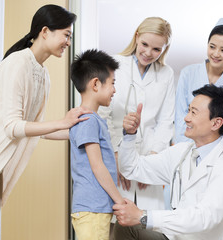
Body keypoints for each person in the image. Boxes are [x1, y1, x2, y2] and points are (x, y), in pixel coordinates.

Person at [0, 5, 89, 240]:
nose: (68, 42)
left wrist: (77, 132)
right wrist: (62, 122)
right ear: (45, 31)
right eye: (66, 35)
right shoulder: (18, 63)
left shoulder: (43, 75)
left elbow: (34, 129)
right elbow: (13, 127)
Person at [113, 84, 223, 240]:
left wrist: (144, 216)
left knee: (139, 222)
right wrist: (130, 135)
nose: (186, 118)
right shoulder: (181, 152)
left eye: (194, 113)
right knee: (124, 227)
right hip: (176, 237)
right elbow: (132, 168)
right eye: (188, 110)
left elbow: (204, 218)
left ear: (216, 123)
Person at [98, 17, 175, 215]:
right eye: (145, 44)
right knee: (116, 220)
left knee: (148, 223)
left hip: (150, 154)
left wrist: (150, 163)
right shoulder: (113, 64)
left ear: (164, 49)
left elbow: (166, 121)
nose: (149, 53)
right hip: (115, 152)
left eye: (157, 49)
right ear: (136, 37)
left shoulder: (166, 74)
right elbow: (104, 114)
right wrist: (117, 156)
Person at [69, 49, 125, 240]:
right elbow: (97, 165)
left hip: (95, 208)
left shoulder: (87, 119)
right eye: (112, 83)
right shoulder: (89, 119)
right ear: (95, 84)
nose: (114, 90)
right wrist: (119, 200)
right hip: (93, 209)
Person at [175, 18, 223, 150]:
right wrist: (185, 148)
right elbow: (180, 115)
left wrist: (212, 152)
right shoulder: (188, 73)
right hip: (185, 147)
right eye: (212, 47)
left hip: (218, 152)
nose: (216, 54)